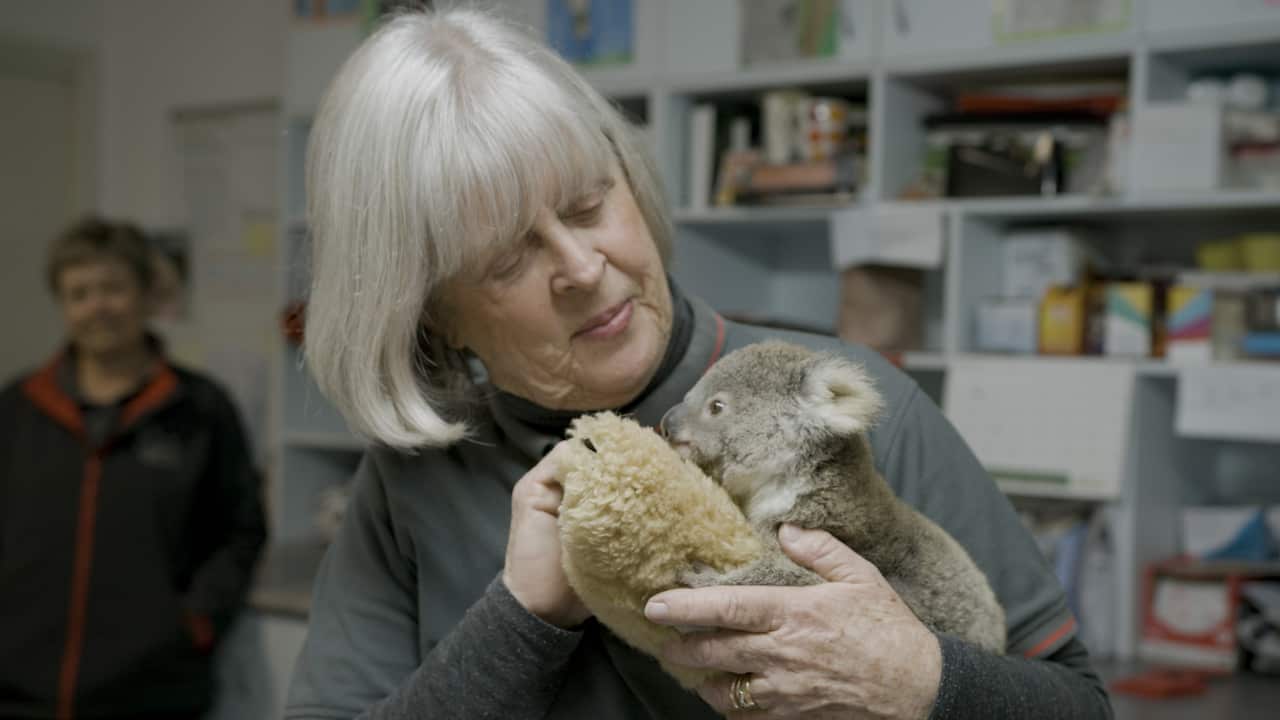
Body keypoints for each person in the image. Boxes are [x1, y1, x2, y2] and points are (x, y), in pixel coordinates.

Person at [286, 8, 1112, 719]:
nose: (582, 265)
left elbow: (1078, 706)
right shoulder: (414, 482)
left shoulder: (836, 409)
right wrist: (524, 617)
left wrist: (916, 681)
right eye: (507, 261)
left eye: (589, 203)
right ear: (430, 311)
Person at [0, 217, 267, 719]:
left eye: (112, 288)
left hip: (152, 694)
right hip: (18, 694)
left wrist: (195, 623)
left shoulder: (201, 409)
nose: (96, 306)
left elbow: (242, 530)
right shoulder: (18, 408)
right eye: (78, 293)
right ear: (62, 305)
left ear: (146, 296)